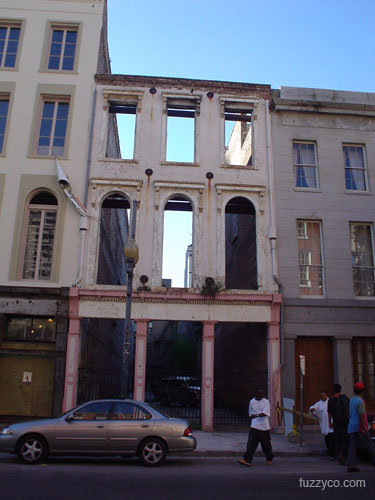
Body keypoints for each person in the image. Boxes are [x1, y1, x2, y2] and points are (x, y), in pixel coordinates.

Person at [239, 388, 273, 467]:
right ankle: (247, 460)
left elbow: (265, 413)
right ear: (256, 394)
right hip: (254, 426)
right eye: (260, 393)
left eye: (262, 393)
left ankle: (269, 458)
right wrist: (251, 421)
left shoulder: (266, 402)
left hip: (264, 427)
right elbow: (250, 413)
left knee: (266, 445)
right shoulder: (252, 401)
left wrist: (256, 415)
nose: (261, 395)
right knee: (250, 444)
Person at [347, 382, 375, 472]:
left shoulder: (352, 399)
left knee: (352, 447)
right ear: (362, 391)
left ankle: (351, 465)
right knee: (370, 445)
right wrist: (363, 427)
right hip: (360, 427)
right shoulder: (360, 401)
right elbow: (362, 416)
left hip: (352, 426)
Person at [327, 383, 349, 465]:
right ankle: (342, 454)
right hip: (344, 422)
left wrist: (330, 422)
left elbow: (329, 413)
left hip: (335, 422)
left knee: (337, 439)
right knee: (345, 439)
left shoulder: (331, 400)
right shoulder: (345, 398)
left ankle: (339, 453)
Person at [309, 390, 335, 460]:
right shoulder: (319, 404)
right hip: (324, 424)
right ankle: (331, 454)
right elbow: (313, 408)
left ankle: (334, 453)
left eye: (324, 395)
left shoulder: (331, 401)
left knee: (333, 439)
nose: (323, 397)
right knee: (328, 440)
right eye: (322, 396)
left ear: (326, 395)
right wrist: (313, 410)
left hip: (331, 423)